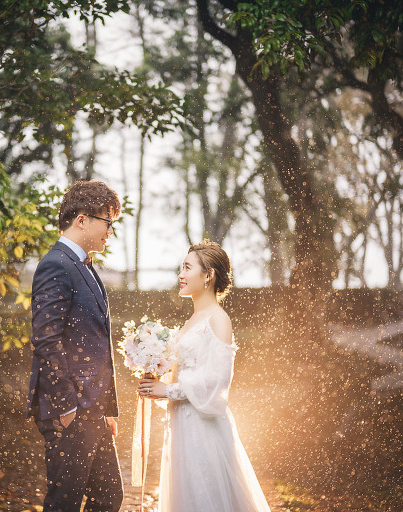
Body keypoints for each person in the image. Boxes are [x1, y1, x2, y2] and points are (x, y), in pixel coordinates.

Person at [138, 240, 272, 512]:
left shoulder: (218, 320)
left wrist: (168, 390)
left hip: (203, 427)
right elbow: (185, 372)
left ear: (208, 275)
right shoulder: (190, 322)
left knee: (205, 495)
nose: (181, 275)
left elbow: (217, 379)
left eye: (187, 268)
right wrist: (156, 376)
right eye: (182, 268)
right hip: (181, 422)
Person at [27, 180, 123, 512]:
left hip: (92, 411)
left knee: (108, 498)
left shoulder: (85, 267)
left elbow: (95, 344)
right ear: (81, 220)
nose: (110, 231)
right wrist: (67, 407)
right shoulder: (56, 264)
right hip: (71, 411)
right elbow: (46, 339)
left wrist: (105, 409)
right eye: (107, 222)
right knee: (63, 504)